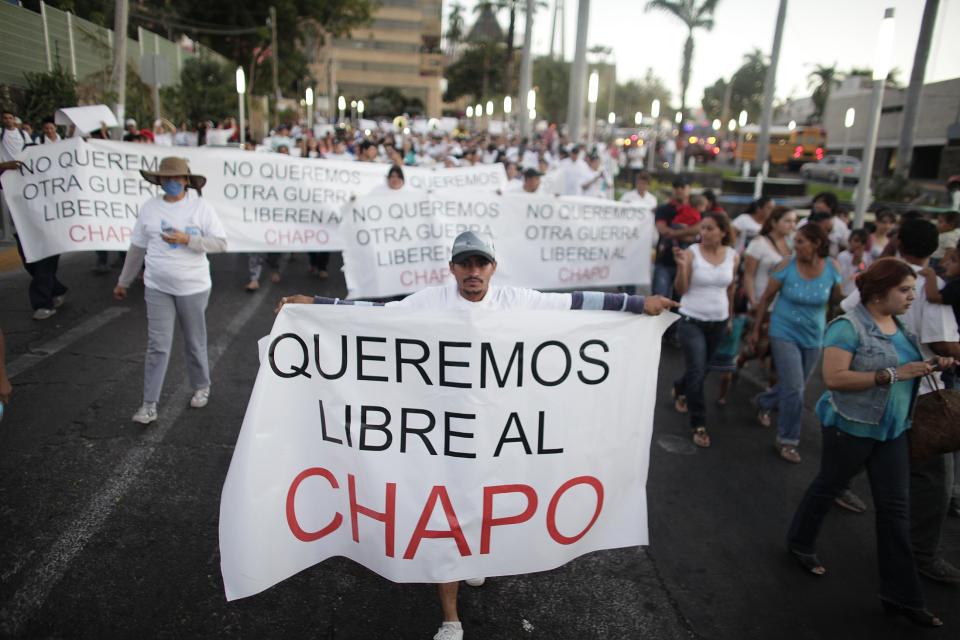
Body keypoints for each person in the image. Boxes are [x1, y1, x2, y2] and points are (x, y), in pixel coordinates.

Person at [276, 230, 678, 640]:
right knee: (445, 510)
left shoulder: (515, 301)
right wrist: (316, 306)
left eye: (480, 263)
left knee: (485, 500)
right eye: (464, 264)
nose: (473, 272)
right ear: (451, 268)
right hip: (440, 430)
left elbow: (576, 303)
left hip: (496, 429)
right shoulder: (429, 301)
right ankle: (450, 618)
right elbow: (374, 314)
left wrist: (637, 304)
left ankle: (476, 556)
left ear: (493, 268)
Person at [786, 258, 951, 628]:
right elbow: (835, 378)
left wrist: (933, 363)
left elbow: (908, 364)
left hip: (893, 431)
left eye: (913, 290)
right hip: (851, 427)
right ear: (878, 294)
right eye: (905, 290)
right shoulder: (847, 327)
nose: (912, 297)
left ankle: (903, 596)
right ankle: (799, 542)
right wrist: (893, 374)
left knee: (895, 513)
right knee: (827, 487)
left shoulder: (901, 325)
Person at [113, 157, 227, 424]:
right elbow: (137, 248)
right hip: (157, 286)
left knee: (193, 340)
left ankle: (201, 385)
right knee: (157, 346)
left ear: (187, 181)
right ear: (159, 181)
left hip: (193, 286)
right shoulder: (150, 208)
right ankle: (149, 404)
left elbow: (220, 243)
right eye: (166, 178)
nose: (172, 183)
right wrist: (123, 281)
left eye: (177, 178)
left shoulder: (201, 207)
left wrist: (188, 239)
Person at [751, 223, 843, 463]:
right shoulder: (786, 265)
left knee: (795, 386)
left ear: (816, 244)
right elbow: (766, 298)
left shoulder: (832, 267)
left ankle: (764, 401)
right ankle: (787, 440)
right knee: (795, 388)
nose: (795, 245)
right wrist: (755, 329)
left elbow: (837, 300)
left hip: (814, 336)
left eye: (801, 241)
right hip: (784, 332)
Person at [671, 213, 739, 448]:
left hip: (718, 321)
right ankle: (698, 424)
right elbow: (681, 288)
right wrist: (681, 268)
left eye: (710, 228)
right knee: (698, 370)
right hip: (691, 319)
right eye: (703, 228)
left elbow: (730, 289)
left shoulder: (732, 256)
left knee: (700, 369)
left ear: (722, 231)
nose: (705, 233)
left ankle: (680, 388)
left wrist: (729, 318)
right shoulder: (692, 253)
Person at [651, 178, 700, 299]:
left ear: (689, 189)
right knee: (659, 299)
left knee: (681, 302)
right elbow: (662, 230)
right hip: (664, 261)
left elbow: (698, 231)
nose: (679, 190)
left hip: (688, 262)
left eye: (682, 187)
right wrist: (687, 234)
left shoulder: (697, 209)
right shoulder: (663, 209)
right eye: (676, 187)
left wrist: (672, 232)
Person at [837, 229, 872, 297]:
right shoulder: (842, 256)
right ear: (850, 240)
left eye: (862, 242)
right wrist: (854, 262)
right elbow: (842, 276)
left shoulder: (867, 256)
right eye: (856, 241)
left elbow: (865, 273)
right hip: (845, 292)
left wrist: (860, 262)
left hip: (859, 293)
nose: (859, 244)